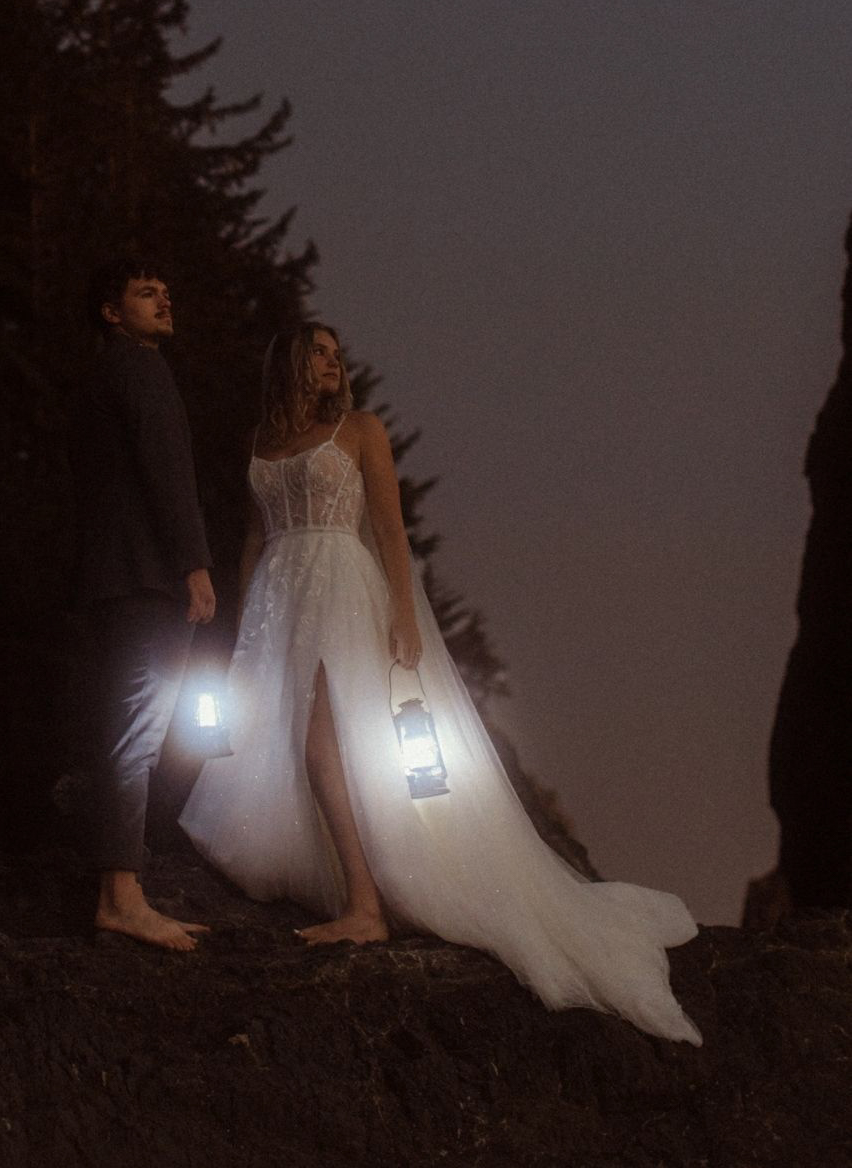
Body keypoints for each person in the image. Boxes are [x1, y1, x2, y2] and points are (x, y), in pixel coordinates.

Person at [179, 323, 702, 1044]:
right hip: (278, 601)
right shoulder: (260, 443)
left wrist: (403, 614)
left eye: (338, 353)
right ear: (292, 362)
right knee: (289, 744)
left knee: (323, 746)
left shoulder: (359, 430)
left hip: (340, 588)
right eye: (320, 352)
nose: (334, 362)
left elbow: (391, 532)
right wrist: (243, 629)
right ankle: (354, 887)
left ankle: (365, 905)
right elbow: (251, 539)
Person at [72, 255, 217, 951]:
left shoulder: (102, 373)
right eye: (144, 292)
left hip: (112, 578)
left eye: (166, 289)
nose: (163, 300)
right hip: (143, 579)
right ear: (112, 310)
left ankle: (121, 888)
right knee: (135, 735)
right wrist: (193, 564)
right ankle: (120, 896)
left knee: (127, 731)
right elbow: (166, 472)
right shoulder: (139, 368)